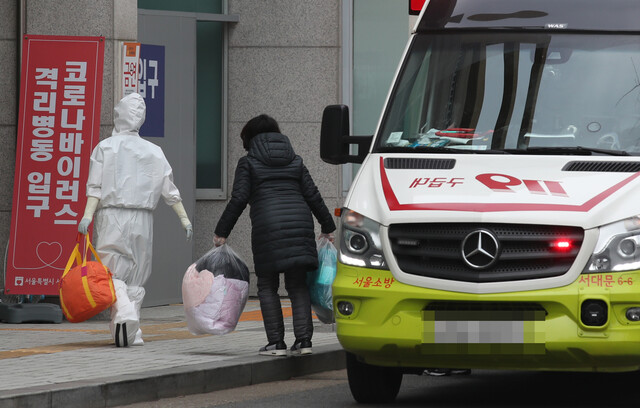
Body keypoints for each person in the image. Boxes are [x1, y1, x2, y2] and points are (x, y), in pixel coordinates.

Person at [213, 114, 336, 356]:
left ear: (249, 138)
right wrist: (328, 226)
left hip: (267, 228)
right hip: (300, 225)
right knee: (297, 285)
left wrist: (221, 232)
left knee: (268, 285)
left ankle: (276, 343)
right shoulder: (295, 161)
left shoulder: (248, 163)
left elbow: (238, 199)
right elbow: (314, 195)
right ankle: (303, 342)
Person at [78, 92, 192, 347]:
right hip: (144, 218)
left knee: (111, 272)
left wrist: (87, 215)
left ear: (119, 115)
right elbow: (170, 191)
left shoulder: (105, 147)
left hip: (112, 216)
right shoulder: (154, 151)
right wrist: (184, 220)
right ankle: (132, 332)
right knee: (138, 276)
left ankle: (126, 320)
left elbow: (95, 187)